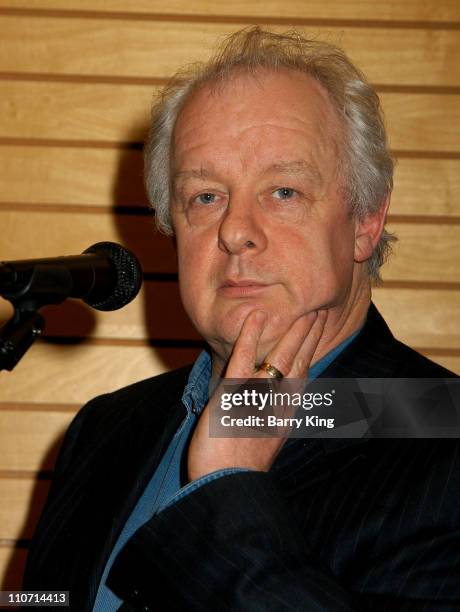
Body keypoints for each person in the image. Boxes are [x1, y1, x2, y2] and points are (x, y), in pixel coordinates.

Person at [23, 27, 459, 611]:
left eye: (282, 190)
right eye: (205, 197)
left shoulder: (443, 431)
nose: (234, 230)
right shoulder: (105, 427)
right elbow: (47, 598)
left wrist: (226, 489)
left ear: (364, 222)